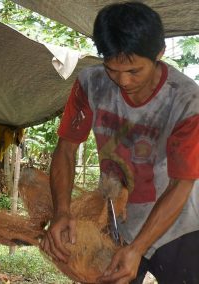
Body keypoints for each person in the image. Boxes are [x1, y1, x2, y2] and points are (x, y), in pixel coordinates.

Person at [40, 2, 199, 283]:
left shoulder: (187, 101)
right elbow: (65, 150)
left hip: (180, 228)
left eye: (134, 71)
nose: (123, 81)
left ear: (159, 53)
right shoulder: (91, 84)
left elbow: (181, 184)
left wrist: (139, 248)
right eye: (113, 69)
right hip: (119, 223)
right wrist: (61, 212)